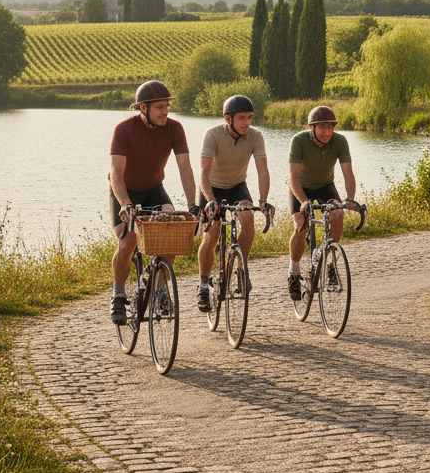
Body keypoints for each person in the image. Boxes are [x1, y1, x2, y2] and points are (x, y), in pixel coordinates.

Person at [108, 80, 198, 325]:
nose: (165, 111)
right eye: (160, 107)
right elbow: (116, 173)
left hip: (153, 189)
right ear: (143, 108)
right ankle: (118, 294)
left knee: (171, 227)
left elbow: (185, 168)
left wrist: (193, 205)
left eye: (167, 106)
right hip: (124, 191)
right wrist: (126, 204)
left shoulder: (175, 129)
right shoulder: (124, 129)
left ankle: (158, 285)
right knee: (127, 241)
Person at [196, 94, 273, 312]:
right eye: (241, 118)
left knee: (248, 217)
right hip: (211, 187)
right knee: (212, 231)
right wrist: (210, 201)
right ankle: (203, 284)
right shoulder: (212, 135)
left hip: (237, 185)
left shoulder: (256, 136)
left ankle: (240, 267)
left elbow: (262, 170)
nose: (246, 123)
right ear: (227, 119)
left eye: (249, 117)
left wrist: (264, 201)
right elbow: (203, 173)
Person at [287, 105, 356, 301]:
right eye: (322, 128)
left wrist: (349, 199)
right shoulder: (299, 141)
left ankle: (329, 260)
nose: (327, 132)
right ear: (312, 128)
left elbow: (348, 174)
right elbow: (293, 176)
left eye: (330, 128)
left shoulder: (340, 141)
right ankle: (294, 273)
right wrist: (303, 201)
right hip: (301, 187)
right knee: (302, 224)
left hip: (326, 185)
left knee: (338, 213)